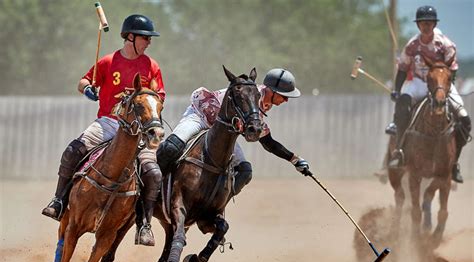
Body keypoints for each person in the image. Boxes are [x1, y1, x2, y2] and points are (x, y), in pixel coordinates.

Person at [41, 14, 166, 246]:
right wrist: (88, 89)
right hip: (108, 122)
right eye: (145, 38)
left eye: (149, 39)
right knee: (73, 150)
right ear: (130, 37)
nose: (149, 42)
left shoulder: (152, 66)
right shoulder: (109, 62)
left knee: (153, 173)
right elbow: (83, 81)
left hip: (140, 129)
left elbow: (159, 96)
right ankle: (58, 201)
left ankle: (145, 225)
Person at [156, 68, 310, 197]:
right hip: (200, 117)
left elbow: (267, 142)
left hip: (221, 134)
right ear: (272, 91)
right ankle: (151, 192)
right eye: (284, 95)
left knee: (244, 172)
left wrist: (294, 159)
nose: (286, 100)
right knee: (171, 147)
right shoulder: (249, 94)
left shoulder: (260, 105)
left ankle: (212, 206)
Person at [387, 5, 471, 183]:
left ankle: (454, 163)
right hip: (418, 82)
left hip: (441, 84)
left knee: (464, 119)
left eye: (429, 22)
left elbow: (452, 69)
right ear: (418, 25)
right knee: (403, 104)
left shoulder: (446, 44)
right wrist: (397, 90)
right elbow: (402, 69)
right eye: (422, 23)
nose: (426, 26)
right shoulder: (412, 45)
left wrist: (444, 88)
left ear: (434, 24)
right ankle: (400, 151)